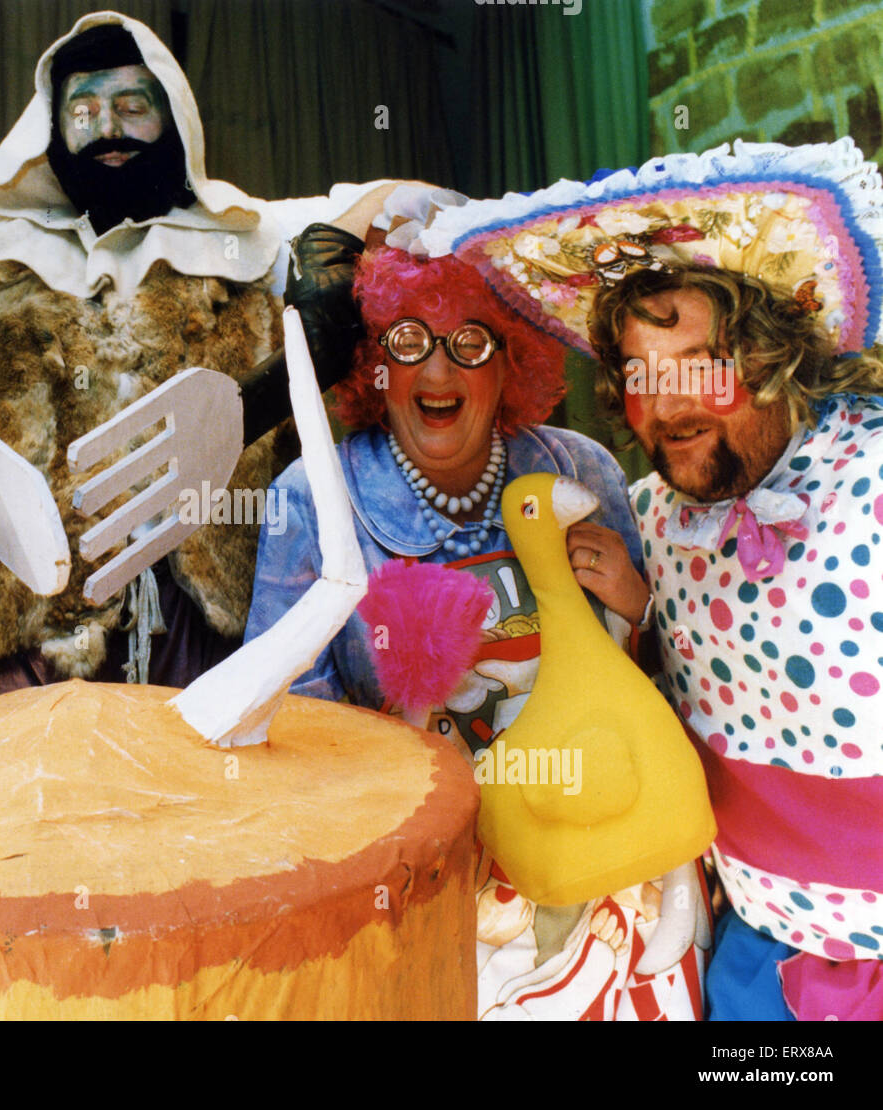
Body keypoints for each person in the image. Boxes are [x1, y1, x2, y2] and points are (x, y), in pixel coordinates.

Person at [415, 138, 883, 1020]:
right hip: (752, 952)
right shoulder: (646, 516)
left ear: (774, 353)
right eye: (637, 375)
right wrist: (645, 612)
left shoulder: (875, 475)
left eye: (693, 368)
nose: (662, 408)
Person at [244, 237, 709, 1020]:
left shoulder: (581, 468)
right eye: (407, 342)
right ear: (375, 367)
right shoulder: (313, 497)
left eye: (469, 344)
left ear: (509, 363)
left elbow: (673, 689)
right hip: (432, 883)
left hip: (606, 851)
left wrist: (641, 605)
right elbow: (280, 731)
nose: (437, 371)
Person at [0, 10, 390, 697]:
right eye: (83, 109)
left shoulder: (244, 243)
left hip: (204, 620)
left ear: (171, 117)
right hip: (40, 631)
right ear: (53, 130)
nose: (107, 128)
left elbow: (385, 206)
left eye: (131, 105)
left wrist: (362, 245)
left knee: (202, 794)